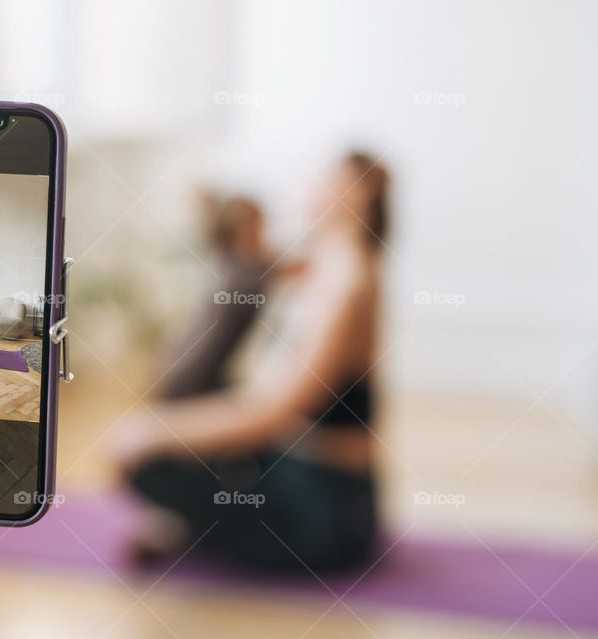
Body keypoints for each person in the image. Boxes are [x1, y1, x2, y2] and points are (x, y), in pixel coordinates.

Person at [110, 152, 390, 571]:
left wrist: (152, 432)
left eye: (329, 180)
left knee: (149, 462)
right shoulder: (327, 266)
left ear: (361, 194)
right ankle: (195, 521)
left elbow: (277, 412)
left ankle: (194, 524)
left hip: (329, 514)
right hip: (299, 467)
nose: (313, 187)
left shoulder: (347, 285)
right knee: (200, 404)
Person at [159, 193, 270, 399]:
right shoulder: (242, 280)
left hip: (179, 370)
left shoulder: (225, 264)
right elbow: (267, 273)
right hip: (193, 381)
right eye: (256, 228)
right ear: (238, 232)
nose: (262, 235)